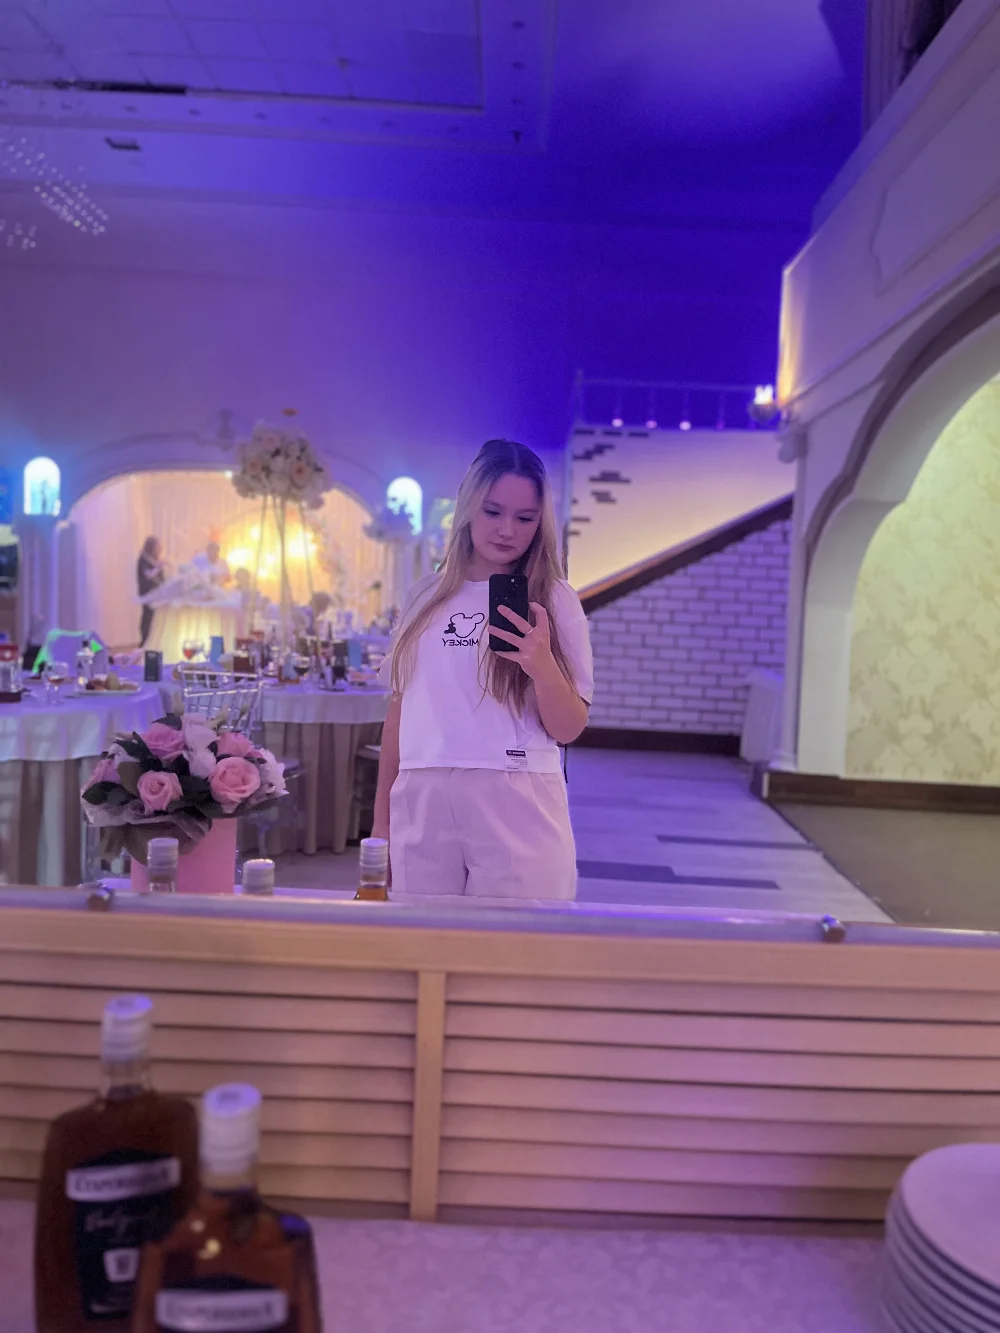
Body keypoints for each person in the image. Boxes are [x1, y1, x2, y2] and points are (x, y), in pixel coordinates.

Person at [373, 438, 593, 899]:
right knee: (422, 939)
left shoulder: (554, 600)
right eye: (493, 512)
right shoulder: (423, 597)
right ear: (468, 507)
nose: (507, 530)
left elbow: (569, 728)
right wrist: (381, 826)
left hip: (516, 793)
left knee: (515, 941)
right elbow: (398, 716)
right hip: (422, 792)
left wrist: (541, 665)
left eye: (525, 518)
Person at [136, 536, 166, 647]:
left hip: (157, 594)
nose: (160, 549)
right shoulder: (143, 559)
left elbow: (161, 579)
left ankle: (154, 641)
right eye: (158, 547)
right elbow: (148, 575)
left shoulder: (155, 560)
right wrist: (158, 568)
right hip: (147, 593)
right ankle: (145, 641)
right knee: (147, 617)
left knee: (155, 618)